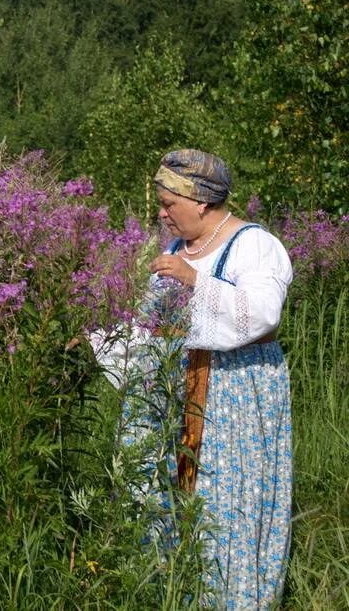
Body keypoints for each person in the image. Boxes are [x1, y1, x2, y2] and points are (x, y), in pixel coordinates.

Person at [99, 149, 293, 609]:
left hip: (231, 394)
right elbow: (157, 325)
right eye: (161, 204)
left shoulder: (253, 245)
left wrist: (195, 282)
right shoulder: (175, 248)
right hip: (174, 394)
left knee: (223, 502)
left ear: (202, 201)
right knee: (164, 493)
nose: (161, 214)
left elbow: (262, 314)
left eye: (170, 204)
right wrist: (102, 340)